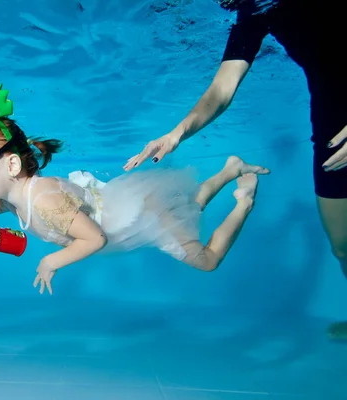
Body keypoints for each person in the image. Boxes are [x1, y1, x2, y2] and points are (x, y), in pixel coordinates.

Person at [123, 0, 347, 337]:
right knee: (342, 244)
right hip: (332, 132)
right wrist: (177, 133)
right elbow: (221, 90)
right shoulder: (256, 12)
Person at [0, 84, 270, 295]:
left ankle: (244, 202)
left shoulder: (45, 201)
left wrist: (52, 261)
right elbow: (4, 206)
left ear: (12, 165)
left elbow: (95, 239)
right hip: (137, 211)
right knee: (188, 208)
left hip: (142, 216)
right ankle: (230, 170)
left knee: (206, 260)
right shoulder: (18, 194)